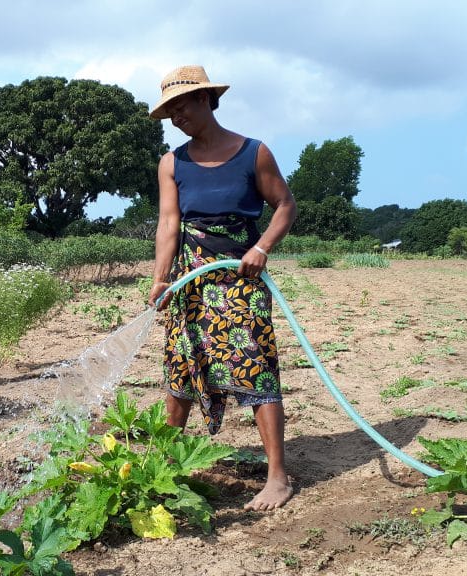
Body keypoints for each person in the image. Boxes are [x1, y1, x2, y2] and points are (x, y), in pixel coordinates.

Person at [146, 65, 298, 511]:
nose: (177, 117)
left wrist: (263, 247)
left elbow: (285, 205)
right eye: (169, 111)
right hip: (191, 281)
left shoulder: (253, 153)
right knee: (181, 364)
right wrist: (161, 277)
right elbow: (169, 223)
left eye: (182, 106)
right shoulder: (172, 163)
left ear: (205, 100)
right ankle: (161, 469)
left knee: (255, 364)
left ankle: (277, 477)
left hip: (241, 278)